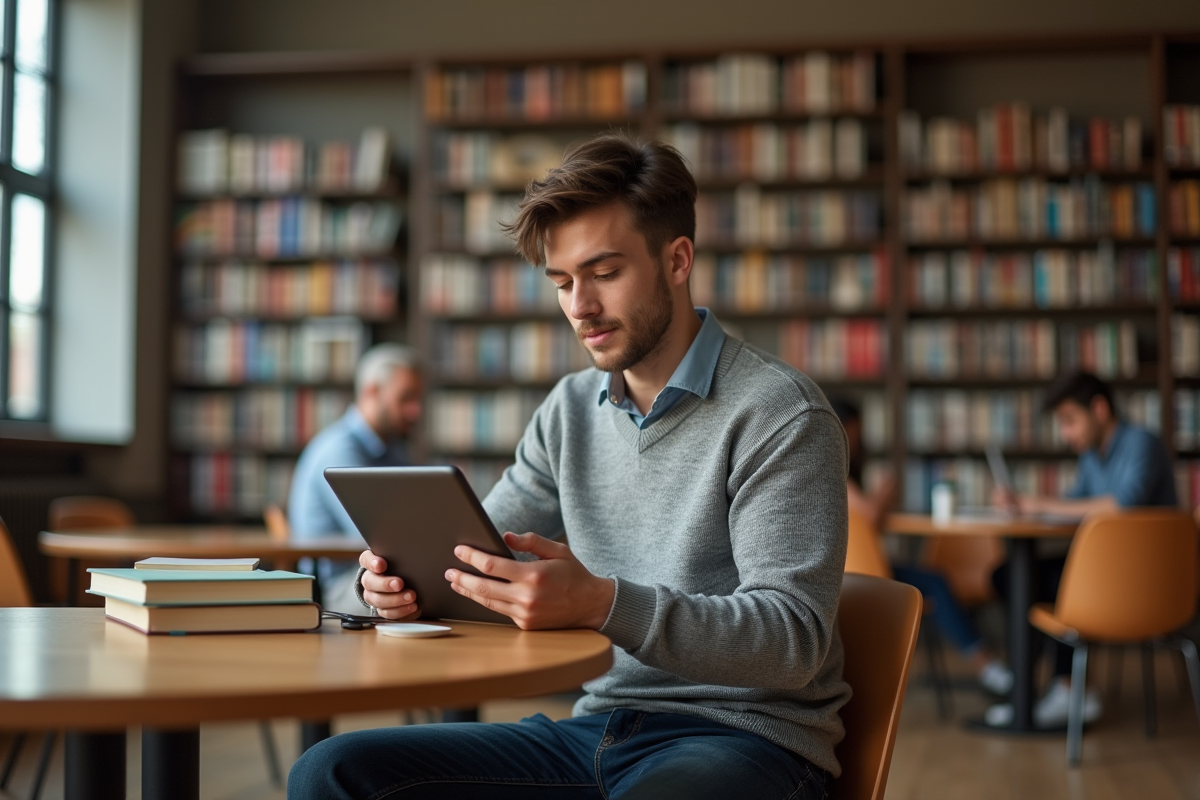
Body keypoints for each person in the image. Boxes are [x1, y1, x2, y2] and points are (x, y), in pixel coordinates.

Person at [288, 133, 850, 800]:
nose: (579, 307)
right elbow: (473, 552)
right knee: (331, 772)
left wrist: (602, 602)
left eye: (604, 274)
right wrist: (389, 584)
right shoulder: (570, 410)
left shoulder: (779, 413)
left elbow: (792, 640)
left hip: (747, 739)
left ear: (677, 260)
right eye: (562, 282)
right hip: (598, 728)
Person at [986, 370, 1177, 728]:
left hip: (1147, 583)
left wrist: (1035, 502)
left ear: (1100, 409)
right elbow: (1075, 502)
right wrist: (1026, 504)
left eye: (1070, 421)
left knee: (1060, 582)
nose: (1066, 434)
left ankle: (1069, 688)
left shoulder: (1141, 443)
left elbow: (1121, 505)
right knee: (1008, 576)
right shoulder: (1092, 456)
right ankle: (1030, 687)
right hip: (1110, 571)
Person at [828, 396, 1012, 697]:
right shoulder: (834, 472)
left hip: (851, 572)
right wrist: (885, 491)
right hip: (858, 575)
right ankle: (987, 665)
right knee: (935, 583)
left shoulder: (837, 471)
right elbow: (869, 517)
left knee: (933, 581)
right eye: (854, 429)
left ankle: (988, 665)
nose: (858, 437)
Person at [287, 343, 423, 613]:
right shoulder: (339, 452)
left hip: (377, 573)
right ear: (371, 391)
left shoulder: (393, 450)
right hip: (335, 587)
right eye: (406, 398)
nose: (415, 411)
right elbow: (384, 538)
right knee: (426, 593)